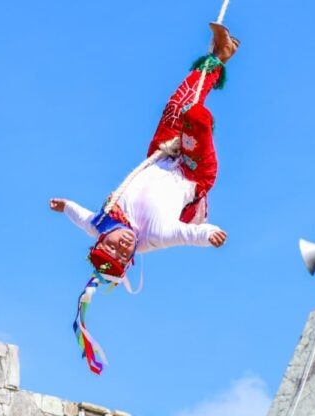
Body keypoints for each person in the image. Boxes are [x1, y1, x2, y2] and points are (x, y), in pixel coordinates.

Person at [50, 23, 239, 374]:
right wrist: (209, 234)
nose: (123, 245)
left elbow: (79, 216)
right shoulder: (153, 235)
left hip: (162, 153)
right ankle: (215, 68)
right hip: (192, 173)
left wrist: (64, 207)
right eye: (125, 254)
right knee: (195, 117)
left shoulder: (101, 222)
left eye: (113, 247)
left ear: (103, 239)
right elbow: (186, 235)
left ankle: (218, 56)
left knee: (176, 106)